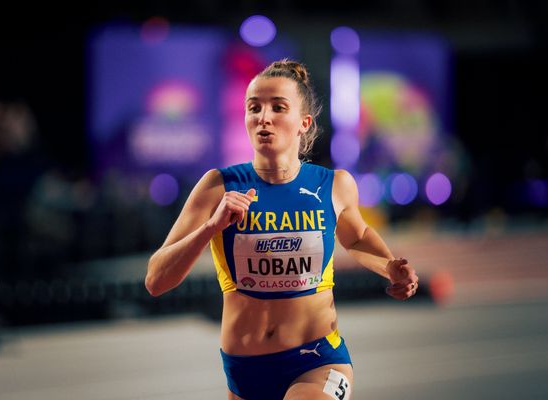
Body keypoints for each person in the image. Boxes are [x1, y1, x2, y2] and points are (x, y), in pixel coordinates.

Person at [145, 59, 419, 400]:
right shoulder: (218, 186)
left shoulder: (333, 186)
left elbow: (359, 237)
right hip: (244, 372)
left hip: (318, 359)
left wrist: (390, 266)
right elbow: (156, 280)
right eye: (254, 107)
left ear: (304, 122)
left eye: (278, 107)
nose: (263, 117)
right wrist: (211, 228)